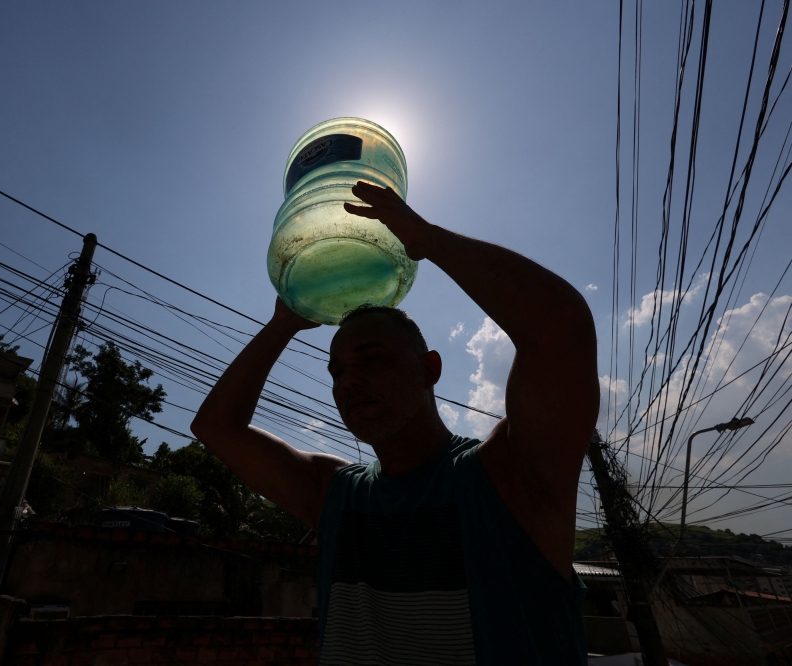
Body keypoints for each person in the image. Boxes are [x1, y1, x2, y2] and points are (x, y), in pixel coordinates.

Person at [191, 181, 599, 665]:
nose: (349, 380)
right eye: (337, 369)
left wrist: (425, 239)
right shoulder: (338, 494)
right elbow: (216, 428)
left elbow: (560, 326)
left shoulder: (507, 475)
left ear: (430, 369)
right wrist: (283, 323)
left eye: (372, 358)